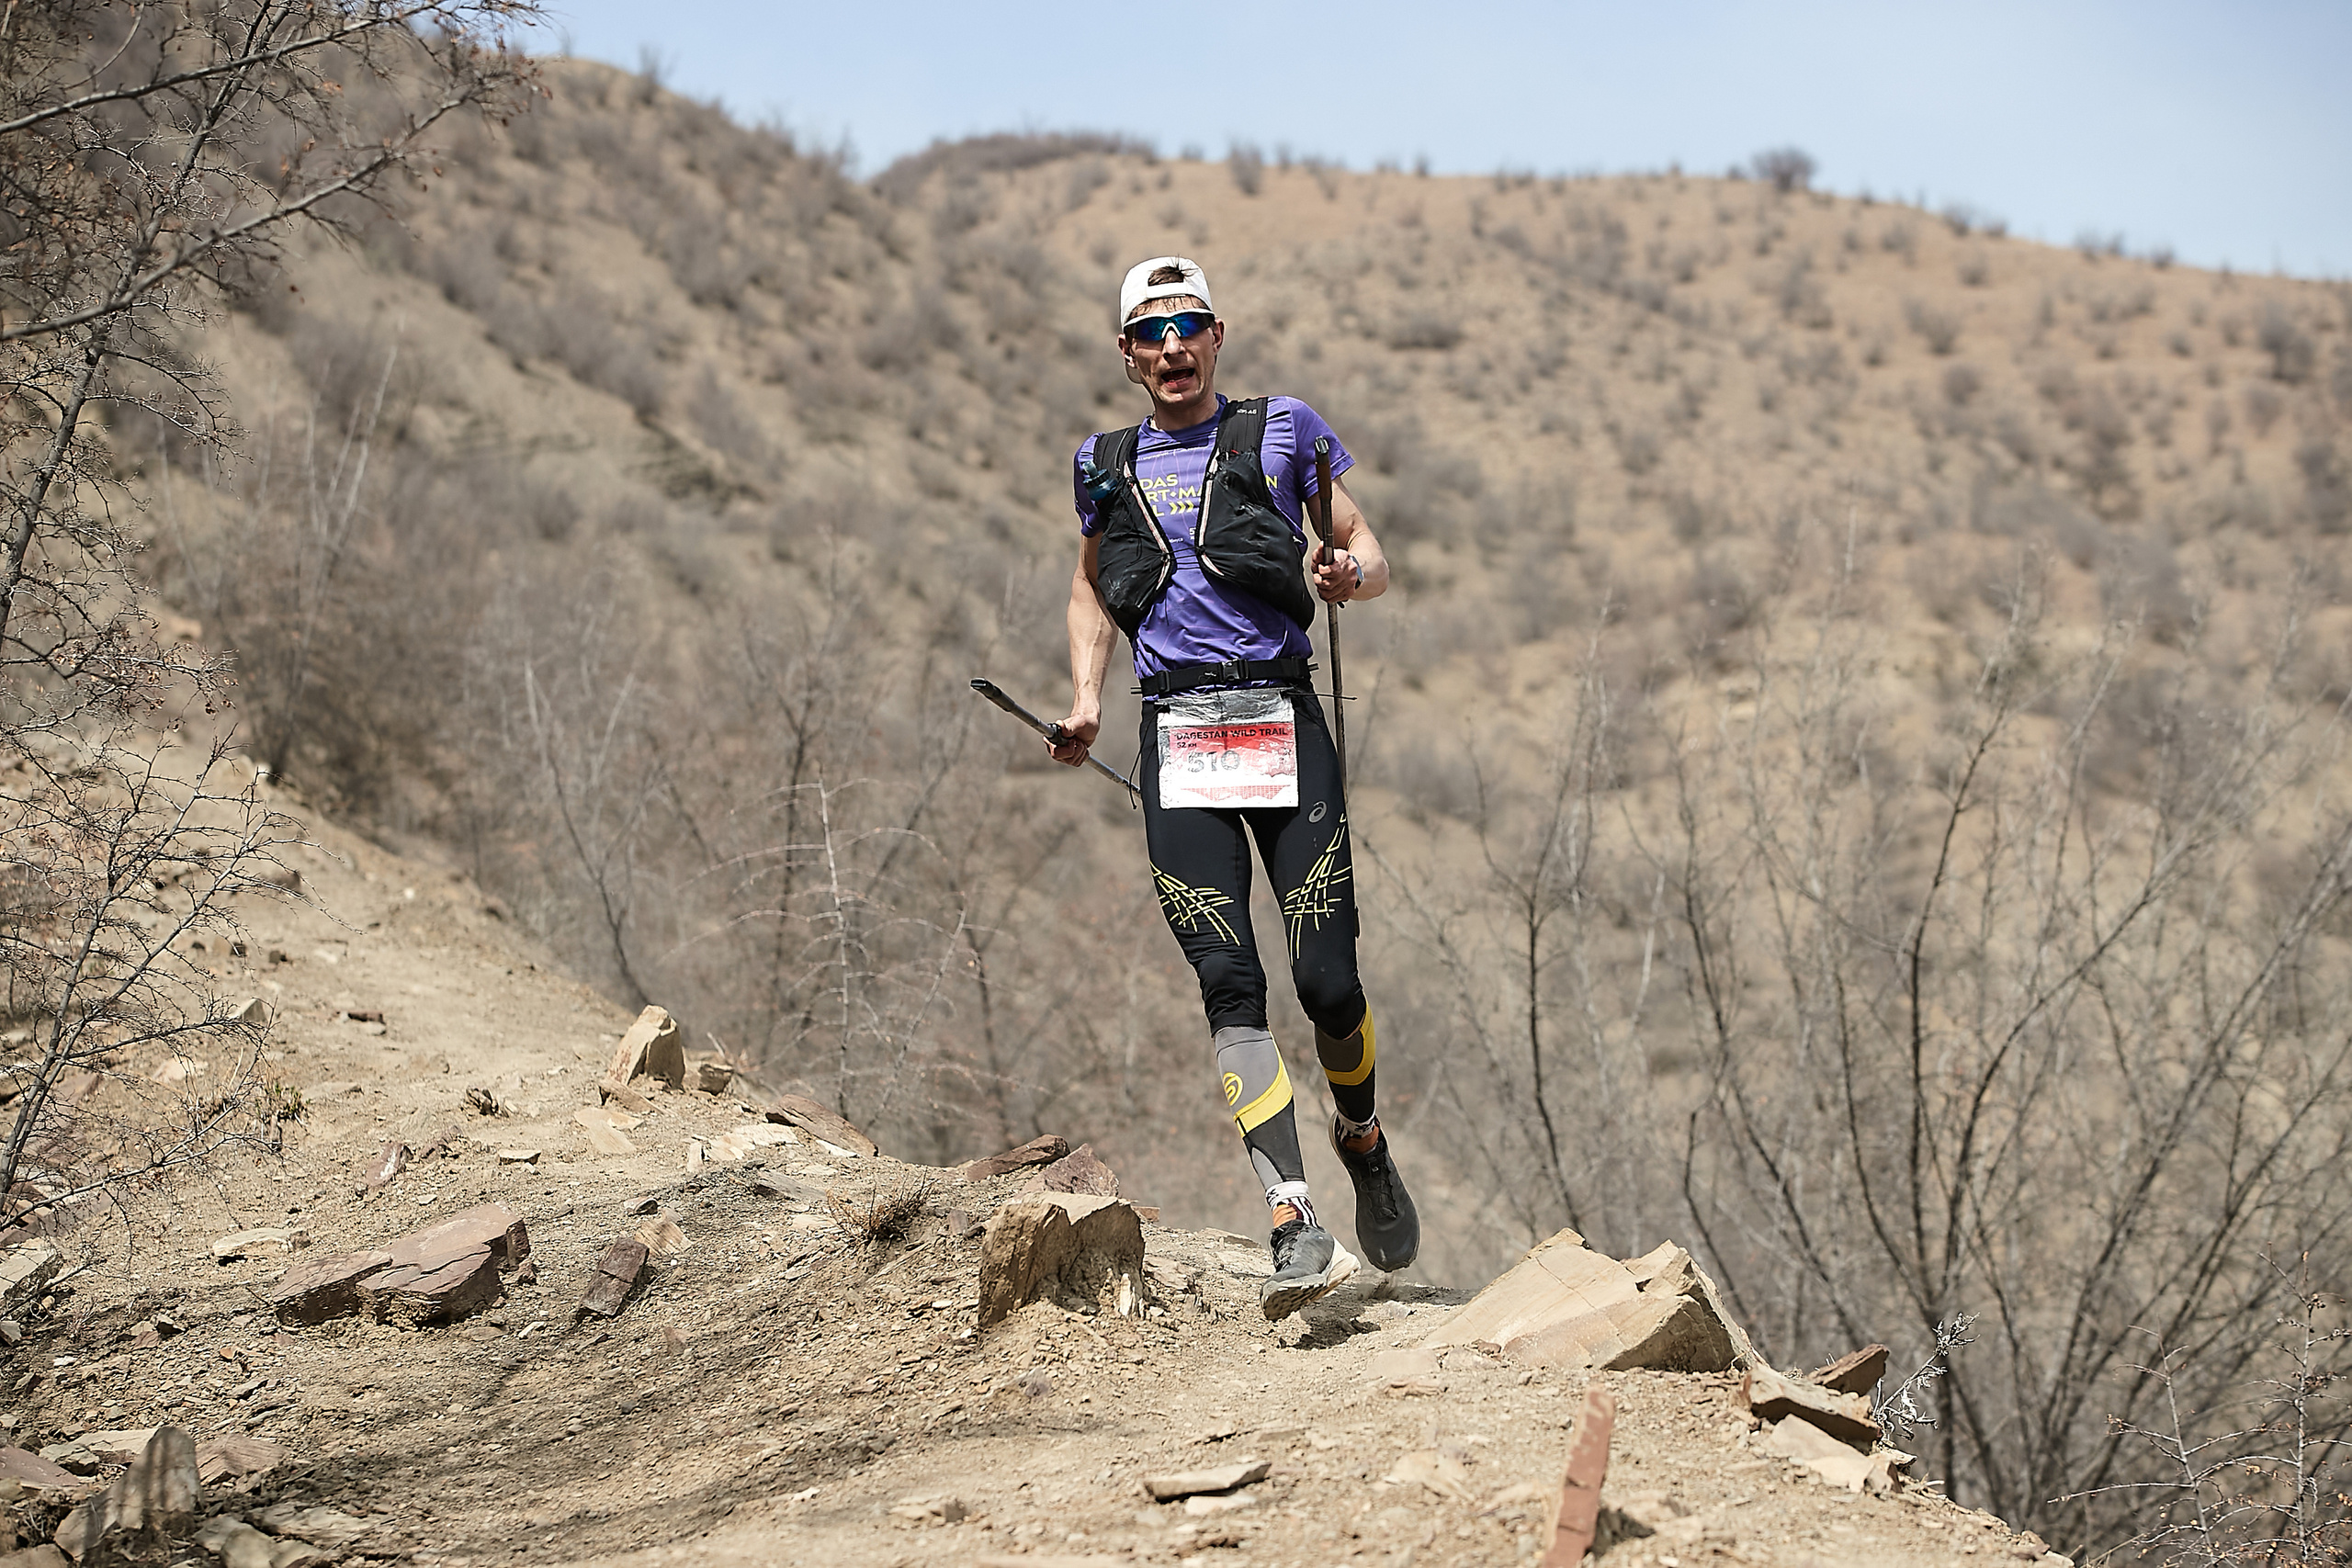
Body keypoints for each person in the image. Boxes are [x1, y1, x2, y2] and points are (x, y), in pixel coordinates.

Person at [1051, 255, 1419, 1322]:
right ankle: (1292, 1214)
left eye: (1188, 326)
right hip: (1177, 736)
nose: (1171, 346)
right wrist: (1085, 700)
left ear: (1217, 337)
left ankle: (1361, 1137)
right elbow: (1089, 585)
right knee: (1228, 978)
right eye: (1150, 332)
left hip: (1281, 720)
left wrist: (1350, 574)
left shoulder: (1284, 430)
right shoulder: (1102, 464)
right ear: (1127, 355)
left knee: (1329, 983)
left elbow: (1363, 545)